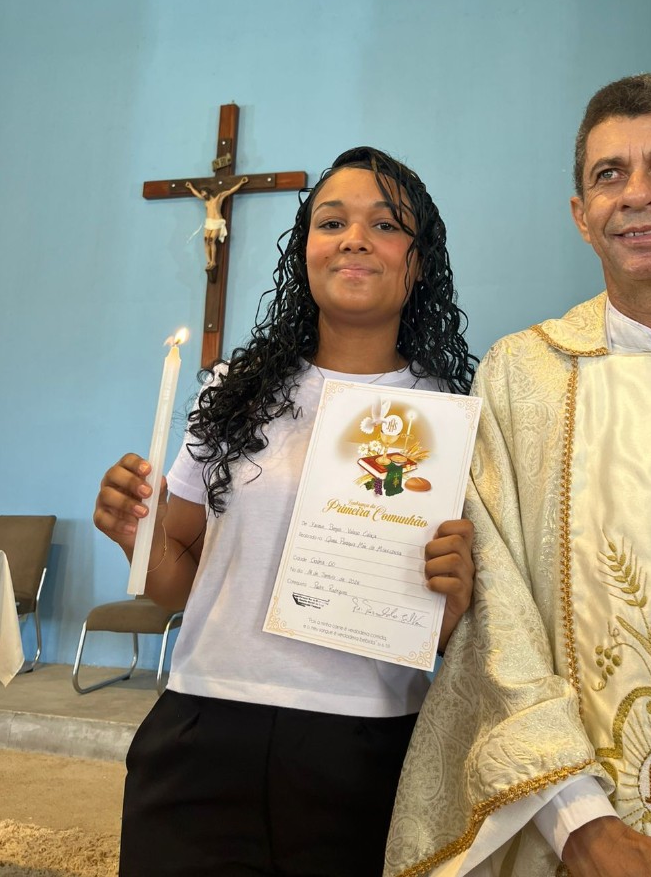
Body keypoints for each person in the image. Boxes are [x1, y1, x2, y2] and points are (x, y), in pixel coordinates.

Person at [385, 76, 651, 877]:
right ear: (582, 216)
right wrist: (585, 828)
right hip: (567, 839)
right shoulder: (522, 375)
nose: (637, 194)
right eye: (610, 174)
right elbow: (497, 613)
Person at [94, 147, 478, 877]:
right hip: (205, 723)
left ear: (420, 262)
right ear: (305, 251)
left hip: (365, 741)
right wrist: (135, 534)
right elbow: (177, 583)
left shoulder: (451, 419)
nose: (354, 239)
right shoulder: (236, 390)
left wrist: (452, 604)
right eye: (331, 222)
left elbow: (452, 633)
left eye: (385, 225)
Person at [185, 174, 249, 270]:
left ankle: (213, 261)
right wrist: (190, 187)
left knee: (211, 240)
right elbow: (197, 194)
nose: (202, 195)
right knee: (206, 240)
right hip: (209, 222)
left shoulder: (219, 198)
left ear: (207, 192)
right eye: (202, 193)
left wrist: (241, 183)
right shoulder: (206, 201)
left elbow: (230, 191)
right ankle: (208, 261)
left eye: (203, 193)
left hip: (217, 222)